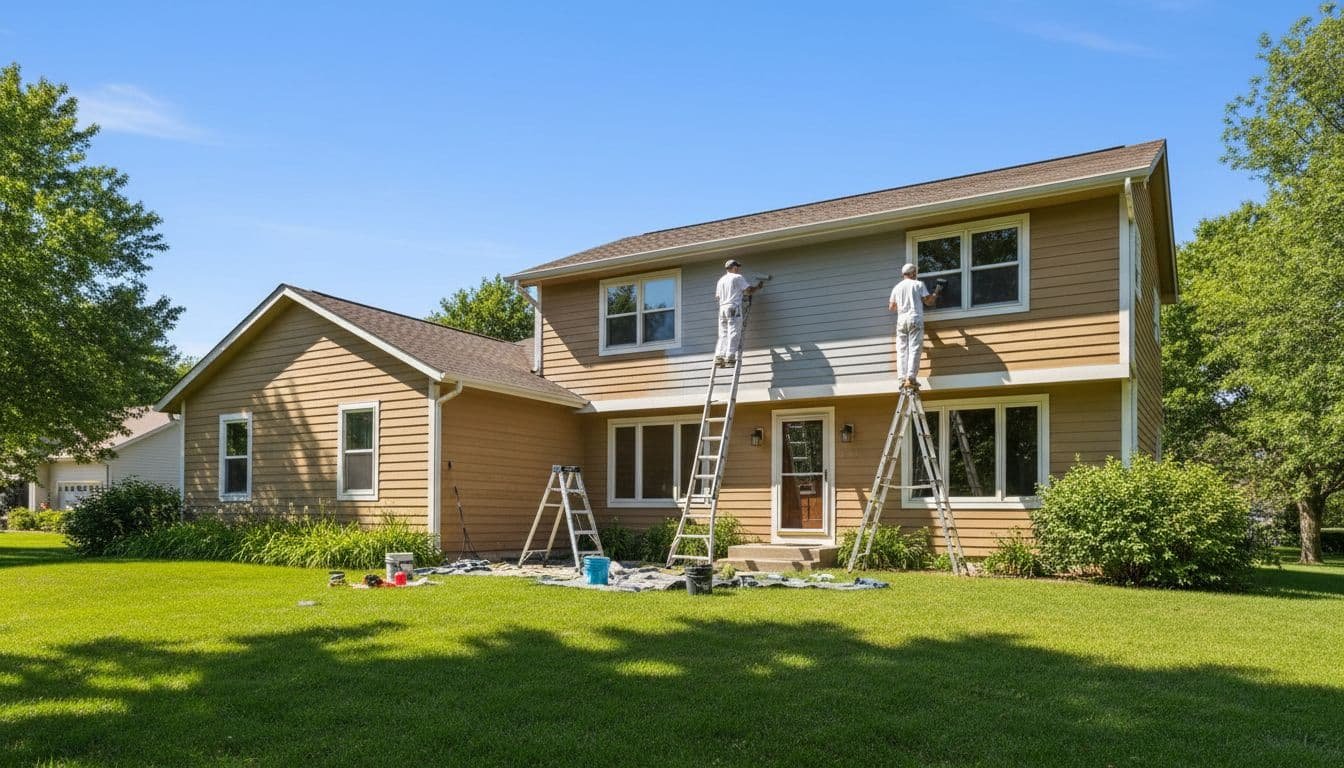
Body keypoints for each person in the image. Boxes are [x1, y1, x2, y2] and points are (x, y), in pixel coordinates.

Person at [889, 263, 942, 389]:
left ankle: (902, 378)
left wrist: (903, 304)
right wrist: (936, 292)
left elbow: (891, 307)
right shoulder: (918, 284)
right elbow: (929, 302)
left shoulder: (897, 288)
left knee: (902, 350)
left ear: (903, 274)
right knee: (914, 348)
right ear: (913, 273)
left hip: (901, 321)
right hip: (914, 319)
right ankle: (911, 378)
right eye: (915, 273)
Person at [714, 259, 761, 367]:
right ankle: (730, 357)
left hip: (722, 309)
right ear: (734, 267)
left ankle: (719, 356)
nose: (739, 269)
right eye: (738, 267)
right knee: (734, 332)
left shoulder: (721, 280)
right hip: (733, 307)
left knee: (723, 333)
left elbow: (717, 296)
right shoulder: (737, 277)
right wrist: (758, 287)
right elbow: (748, 290)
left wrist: (734, 293)